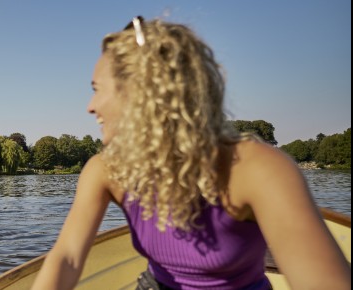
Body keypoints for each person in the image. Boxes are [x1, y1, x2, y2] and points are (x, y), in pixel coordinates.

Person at [32, 17, 350, 290]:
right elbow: (67, 258)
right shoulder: (105, 169)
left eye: (96, 89)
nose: (90, 106)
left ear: (140, 93)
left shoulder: (259, 169)